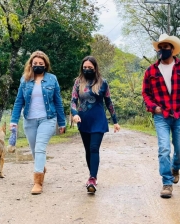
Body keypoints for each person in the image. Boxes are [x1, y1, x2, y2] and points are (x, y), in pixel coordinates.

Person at [142, 33, 180, 198]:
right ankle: (167, 183)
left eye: (165, 47)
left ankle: (176, 168)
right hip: (161, 116)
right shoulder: (151, 71)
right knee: (164, 148)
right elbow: (146, 93)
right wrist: (154, 107)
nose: (162, 50)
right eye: (160, 48)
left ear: (172, 50)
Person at [10, 50, 66, 195]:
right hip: (29, 119)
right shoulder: (25, 79)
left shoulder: (52, 79)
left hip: (48, 119)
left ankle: (37, 182)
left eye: (41, 64)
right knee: (35, 151)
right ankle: (40, 167)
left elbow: (58, 102)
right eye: (35, 63)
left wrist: (62, 122)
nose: (38, 66)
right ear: (31, 64)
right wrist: (13, 121)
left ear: (45, 65)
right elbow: (19, 101)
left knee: (40, 148)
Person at [70, 56, 120, 193]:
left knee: (93, 148)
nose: (87, 70)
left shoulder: (103, 83)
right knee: (88, 150)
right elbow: (73, 101)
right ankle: (91, 175)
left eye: (89, 68)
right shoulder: (78, 82)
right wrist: (74, 114)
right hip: (83, 119)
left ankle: (93, 178)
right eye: (84, 68)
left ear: (95, 68)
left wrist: (115, 121)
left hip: (98, 120)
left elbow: (109, 102)